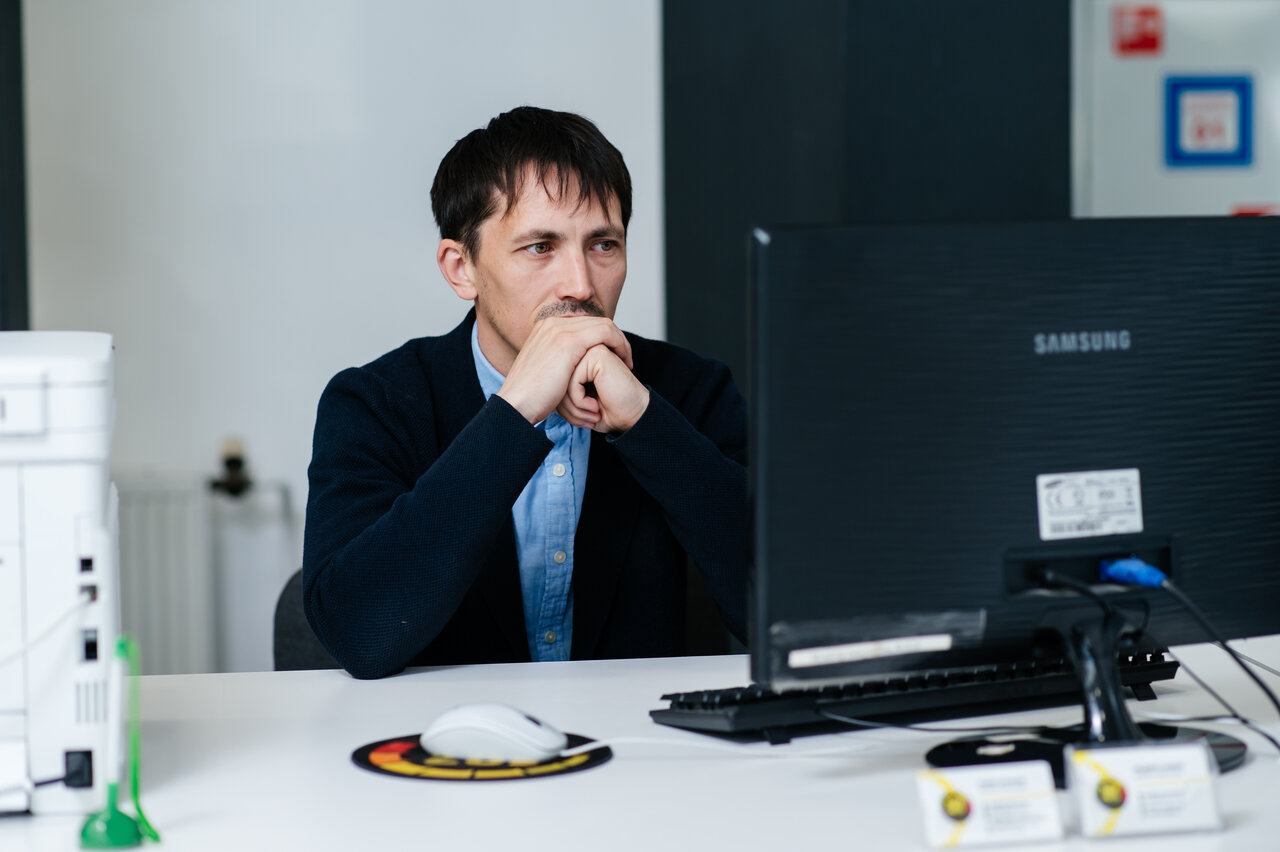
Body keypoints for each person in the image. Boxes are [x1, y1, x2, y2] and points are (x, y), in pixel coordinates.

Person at [302, 106, 747, 679]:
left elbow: (791, 613)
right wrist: (512, 414)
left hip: (638, 733)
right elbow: (357, 633)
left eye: (603, 244)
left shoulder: (693, 390)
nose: (580, 285)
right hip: (450, 733)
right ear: (461, 268)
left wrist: (645, 421)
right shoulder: (375, 403)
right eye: (540, 247)